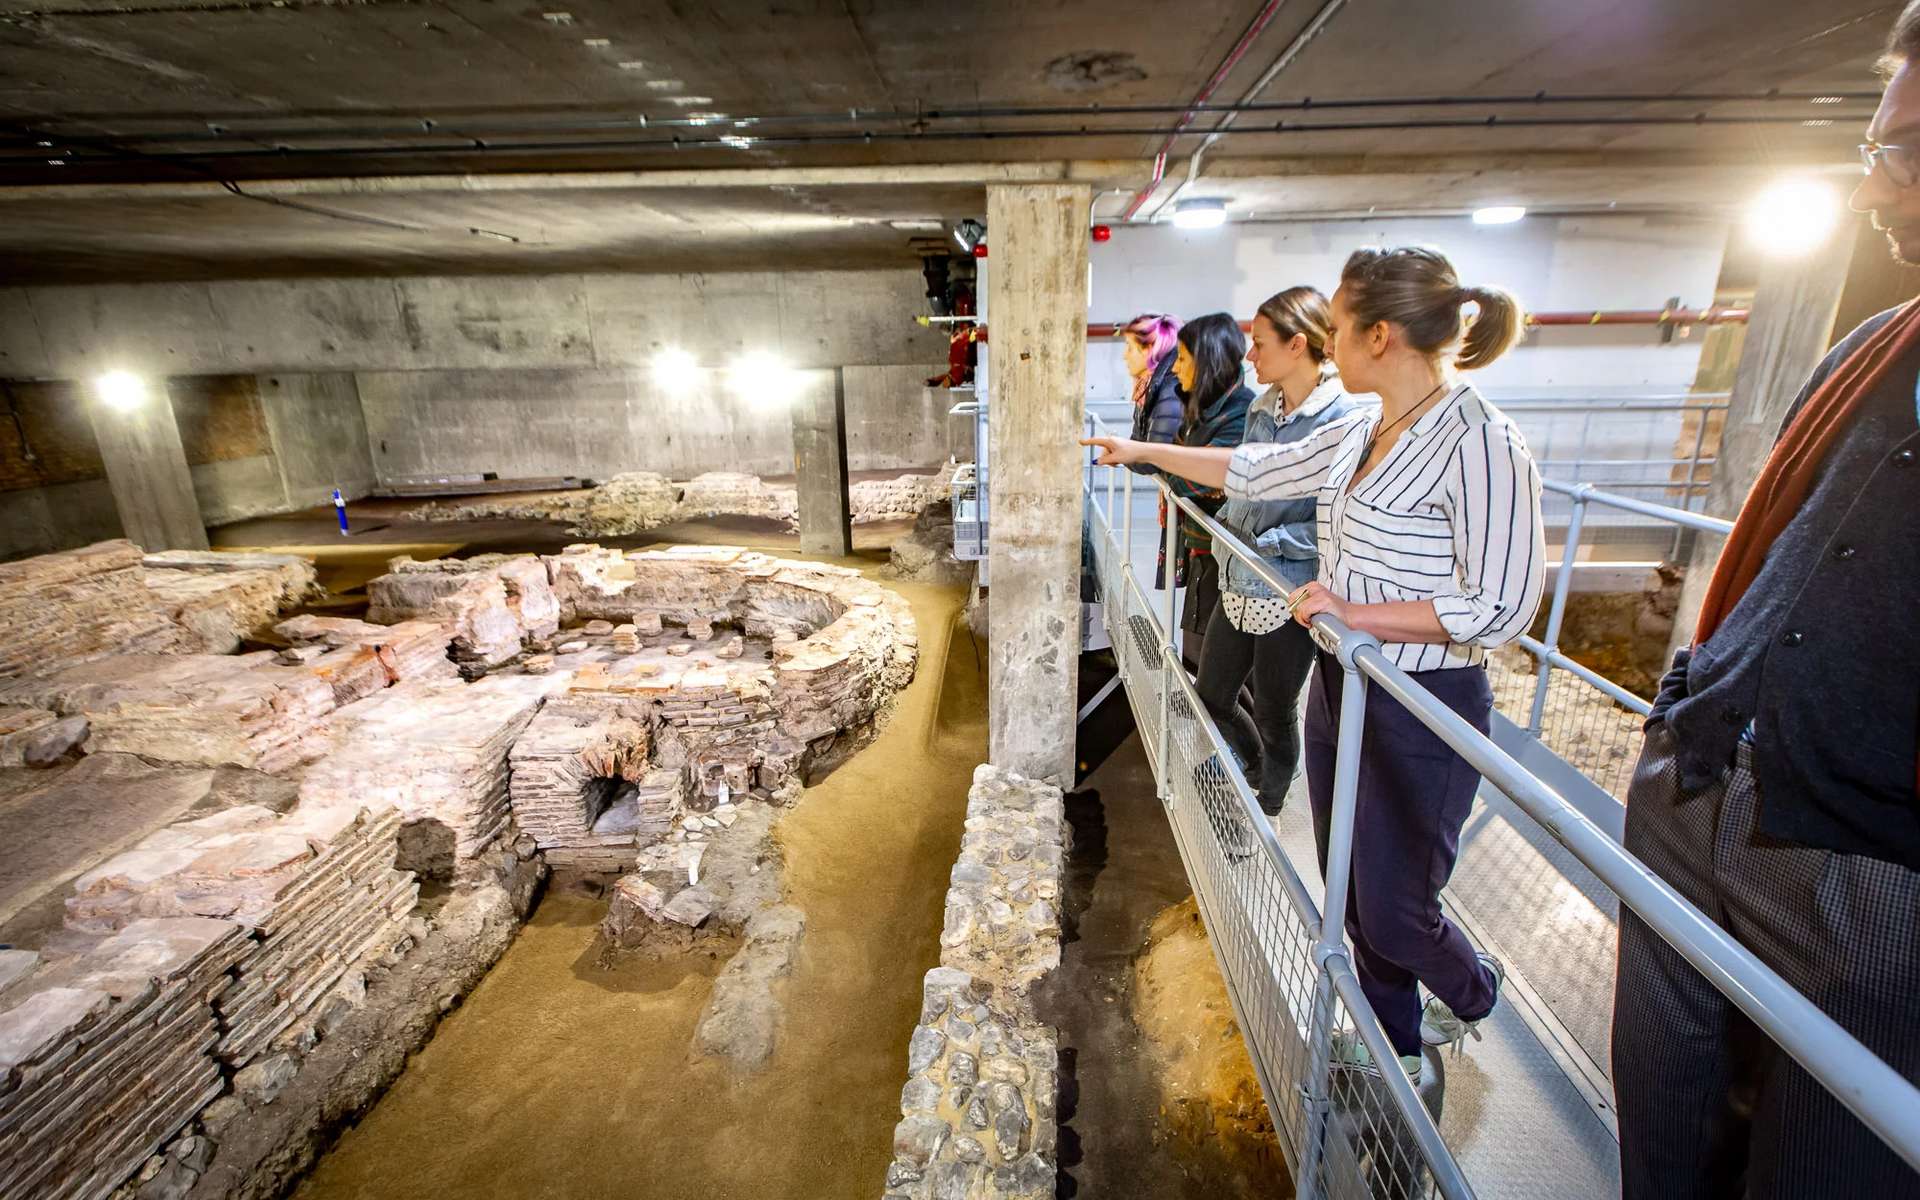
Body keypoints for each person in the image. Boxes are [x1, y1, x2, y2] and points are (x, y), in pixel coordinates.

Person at [1081, 246, 1545, 1082]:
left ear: (1381, 336)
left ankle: (1472, 994)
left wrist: (1354, 613)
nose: (1326, 343)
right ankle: (1391, 1049)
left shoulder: (1481, 440)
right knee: (1353, 890)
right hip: (1346, 687)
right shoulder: (1362, 427)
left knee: (1400, 909)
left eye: (1335, 327)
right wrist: (1142, 452)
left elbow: (1504, 604)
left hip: (1424, 700)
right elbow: (1257, 467)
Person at [1609, 8, 1920, 1195]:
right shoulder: (1876, 343)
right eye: (1875, 151)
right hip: (1703, 777)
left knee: (1831, 1159)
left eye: (1903, 149)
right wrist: (1689, 697)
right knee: (1668, 1115)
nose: (1877, 186)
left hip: (1876, 867)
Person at [1194, 287, 1366, 817]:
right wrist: (1228, 529)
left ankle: (1268, 799)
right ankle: (1255, 767)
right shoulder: (1263, 406)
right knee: (1213, 694)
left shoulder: (1343, 416)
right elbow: (1249, 483)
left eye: (1260, 344)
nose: (1251, 356)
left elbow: (1339, 519)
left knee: (1274, 707)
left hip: (1290, 587)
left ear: (1297, 346)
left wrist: (1272, 540)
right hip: (1241, 573)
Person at [1162, 313, 1255, 666]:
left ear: (1207, 361)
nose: (1175, 369)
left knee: (1217, 673)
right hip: (1204, 547)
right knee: (1198, 659)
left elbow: (1183, 476)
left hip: (1227, 557)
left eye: (1183, 359)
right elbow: (1180, 470)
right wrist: (1190, 466)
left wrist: (1187, 468)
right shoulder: (1201, 410)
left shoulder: (1241, 411)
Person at [1118, 312, 1187, 590]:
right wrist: (1130, 451)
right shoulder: (1150, 388)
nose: (1125, 356)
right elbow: (1141, 444)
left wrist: (1126, 453)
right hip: (1177, 495)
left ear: (1151, 351)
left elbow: (1149, 457)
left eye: (1130, 348)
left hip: (1187, 501)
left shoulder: (1168, 388)